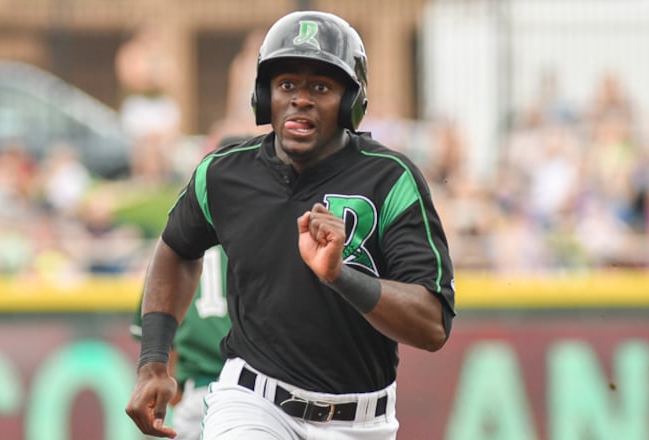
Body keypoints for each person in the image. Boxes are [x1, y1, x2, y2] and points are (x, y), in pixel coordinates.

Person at [125, 10, 456, 440]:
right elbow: (176, 248)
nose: (300, 99)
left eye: (320, 87)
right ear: (264, 97)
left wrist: (340, 277)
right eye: (286, 85)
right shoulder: (224, 173)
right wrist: (153, 362)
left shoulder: (391, 179)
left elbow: (432, 326)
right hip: (252, 401)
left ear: (351, 101)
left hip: (361, 421)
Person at [130, 246, 231, 440]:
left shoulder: (170, 249)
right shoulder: (250, 243)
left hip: (197, 394)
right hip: (253, 391)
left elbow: (162, 350)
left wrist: (180, 400)